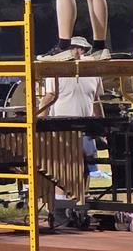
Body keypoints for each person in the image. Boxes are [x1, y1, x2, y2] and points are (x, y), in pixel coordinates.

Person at [37, 36, 105, 212]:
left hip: (85, 126)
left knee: (87, 167)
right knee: (63, 168)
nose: (76, 51)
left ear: (85, 51)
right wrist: (38, 123)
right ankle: (60, 206)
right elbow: (49, 96)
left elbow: (96, 100)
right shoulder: (55, 70)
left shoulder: (93, 71)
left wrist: (102, 127)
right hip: (60, 126)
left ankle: (81, 202)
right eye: (73, 47)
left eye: (79, 48)